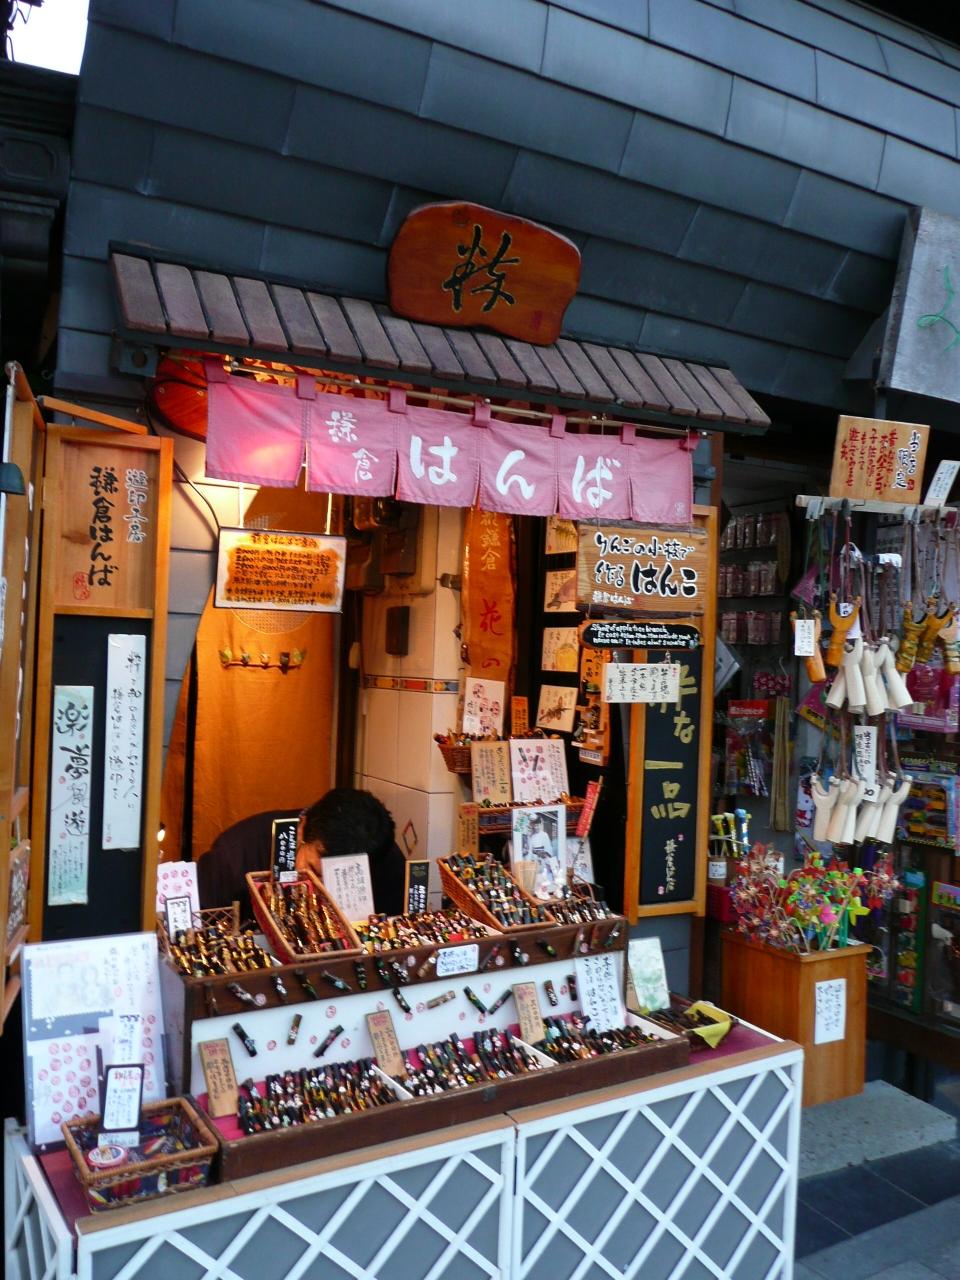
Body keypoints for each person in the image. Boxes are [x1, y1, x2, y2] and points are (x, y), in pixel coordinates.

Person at [196, 788, 406, 917]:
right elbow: (200, 925)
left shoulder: (382, 857)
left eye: (340, 879)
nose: (322, 889)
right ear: (302, 829)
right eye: (314, 870)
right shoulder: (236, 854)